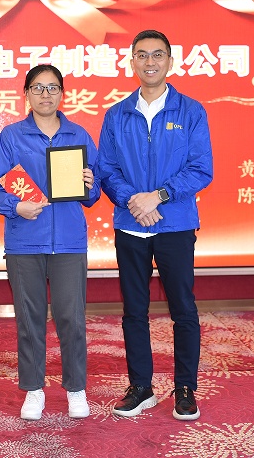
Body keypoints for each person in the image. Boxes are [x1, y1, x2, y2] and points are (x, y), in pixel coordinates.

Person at [97, 30, 213, 421]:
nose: (150, 62)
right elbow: (107, 169)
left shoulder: (191, 111)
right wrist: (134, 200)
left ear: (170, 61)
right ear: (132, 61)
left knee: (183, 308)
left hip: (175, 224)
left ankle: (185, 388)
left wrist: (159, 196)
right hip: (131, 224)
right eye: (142, 55)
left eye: (158, 55)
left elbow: (201, 168)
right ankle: (141, 387)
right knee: (134, 310)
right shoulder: (117, 114)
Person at [0, 64, 101, 421]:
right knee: (29, 319)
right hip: (24, 242)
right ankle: (34, 389)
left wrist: (89, 184)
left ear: (62, 93)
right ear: (26, 94)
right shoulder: (12, 136)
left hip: (68, 243)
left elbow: (95, 192)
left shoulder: (78, 134)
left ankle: (76, 388)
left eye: (52, 88)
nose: (45, 95)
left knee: (71, 318)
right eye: (37, 88)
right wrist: (16, 206)